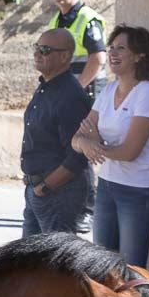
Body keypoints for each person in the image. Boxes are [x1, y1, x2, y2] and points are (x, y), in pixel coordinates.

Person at [72, 25, 149, 267]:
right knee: (101, 267)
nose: (112, 53)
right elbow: (76, 140)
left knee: (130, 270)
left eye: (121, 48)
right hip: (107, 186)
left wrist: (94, 145)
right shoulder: (109, 90)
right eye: (111, 47)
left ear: (139, 55)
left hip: (139, 193)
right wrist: (86, 141)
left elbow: (130, 152)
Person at [47, 0, 107, 234]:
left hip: (85, 93)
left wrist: (75, 88)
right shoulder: (57, 20)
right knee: (66, 148)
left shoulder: (88, 19)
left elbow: (98, 59)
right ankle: (70, 204)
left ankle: (87, 210)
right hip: (66, 94)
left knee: (81, 150)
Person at [20, 28, 93, 236]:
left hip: (57, 195)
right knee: (26, 262)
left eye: (45, 50)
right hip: (37, 190)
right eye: (36, 48)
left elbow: (76, 157)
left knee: (54, 266)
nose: (37, 54)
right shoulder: (46, 86)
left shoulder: (70, 96)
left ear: (64, 56)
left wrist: (45, 187)